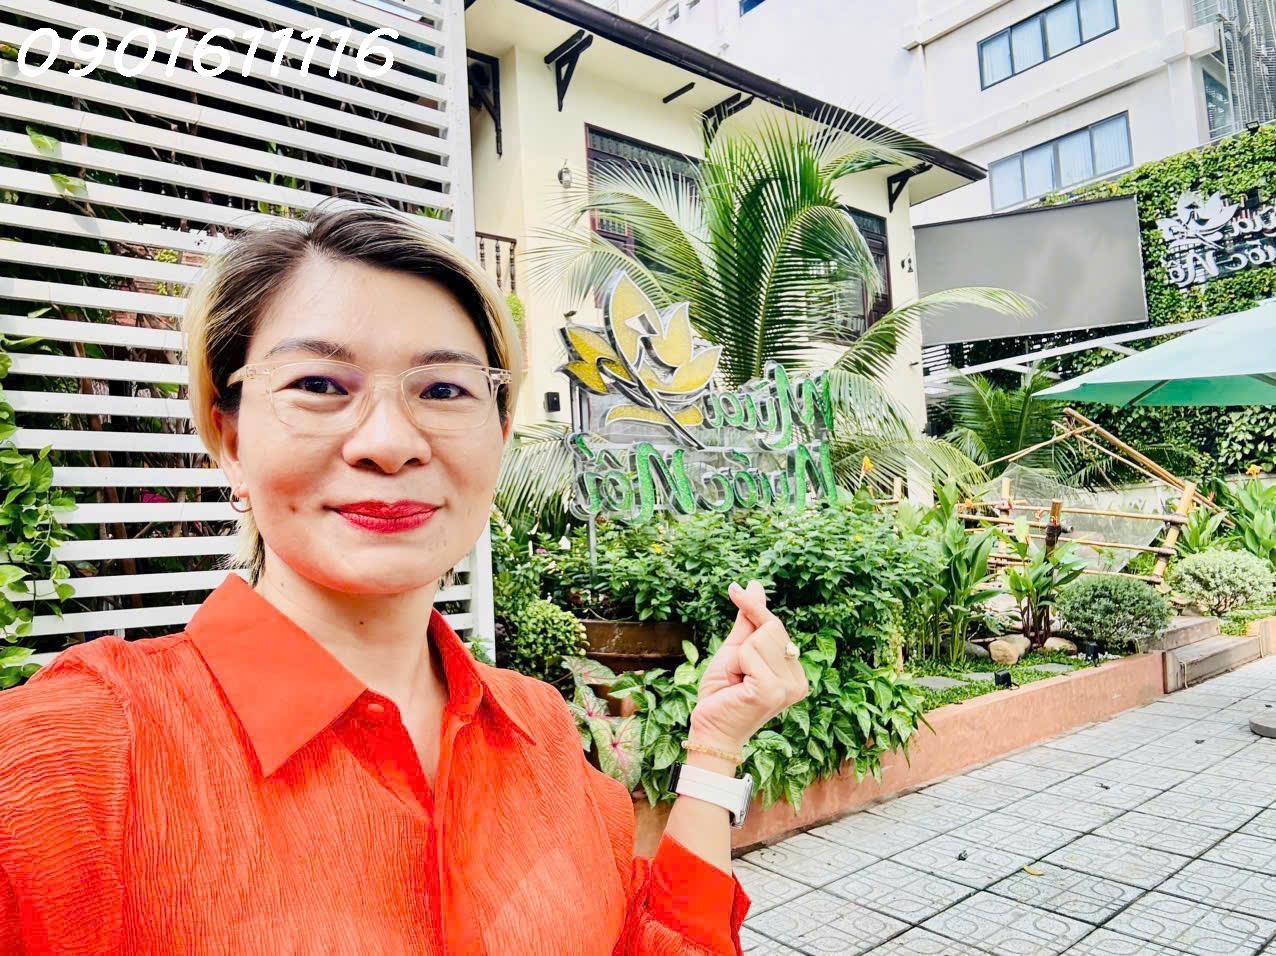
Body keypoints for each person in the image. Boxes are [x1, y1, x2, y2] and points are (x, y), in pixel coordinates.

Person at [0, 200, 809, 955]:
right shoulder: (75, 764)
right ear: (231, 440)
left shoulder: (540, 729)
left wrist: (714, 747)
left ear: (497, 435)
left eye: (444, 389)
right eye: (319, 385)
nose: (389, 442)